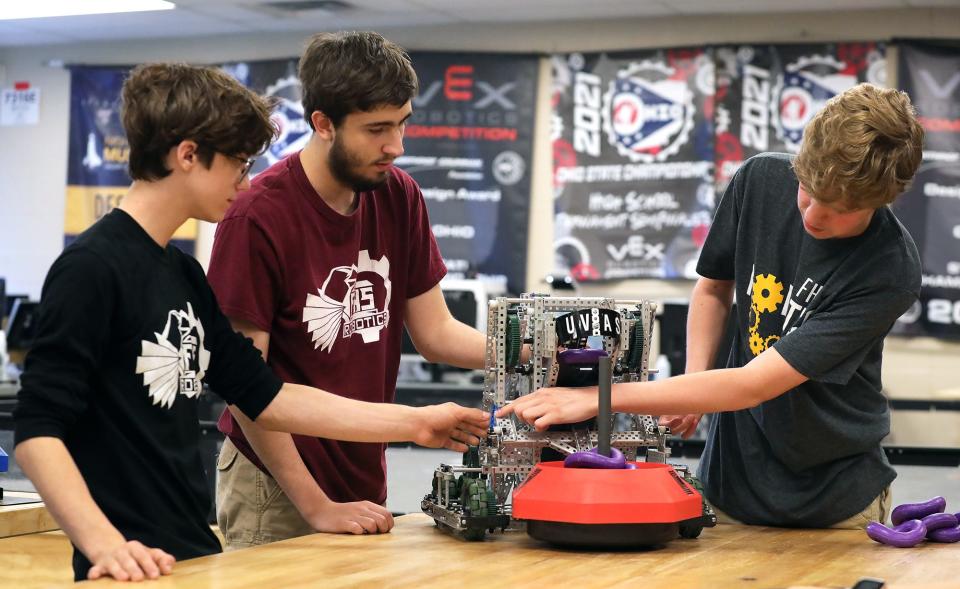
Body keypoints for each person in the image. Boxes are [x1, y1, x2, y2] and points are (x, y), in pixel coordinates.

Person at [13, 62, 488, 583]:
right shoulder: (91, 269)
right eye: (237, 164)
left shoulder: (183, 274)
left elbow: (267, 396)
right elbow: (38, 431)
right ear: (188, 155)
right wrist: (103, 543)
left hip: (188, 546)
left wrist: (418, 423)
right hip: (126, 564)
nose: (244, 182)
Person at [499, 83, 924, 530]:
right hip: (729, 482)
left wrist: (596, 399)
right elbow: (713, 289)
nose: (813, 215)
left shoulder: (889, 269)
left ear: (882, 200)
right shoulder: (759, 179)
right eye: (807, 189)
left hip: (836, 500)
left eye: (839, 208)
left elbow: (752, 384)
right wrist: (694, 387)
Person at [206, 31, 488, 548]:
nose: (396, 147)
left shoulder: (397, 194)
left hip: (360, 471)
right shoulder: (257, 216)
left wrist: (534, 356)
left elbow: (437, 333)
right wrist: (315, 505)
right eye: (376, 129)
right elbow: (247, 387)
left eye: (402, 124)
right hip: (277, 482)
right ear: (323, 124)